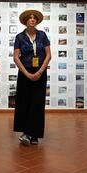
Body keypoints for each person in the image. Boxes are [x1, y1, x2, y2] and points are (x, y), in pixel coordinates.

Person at [13, 9, 51, 146]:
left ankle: (34, 134)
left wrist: (40, 72)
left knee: (37, 103)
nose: (32, 19)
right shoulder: (19, 37)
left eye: (34, 18)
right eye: (30, 18)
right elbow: (16, 57)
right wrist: (27, 73)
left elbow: (48, 55)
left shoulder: (42, 35)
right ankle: (27, 132)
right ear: (25, 21)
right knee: (25, 102)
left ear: (37, 21)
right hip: (25, 73)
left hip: (40, 73)